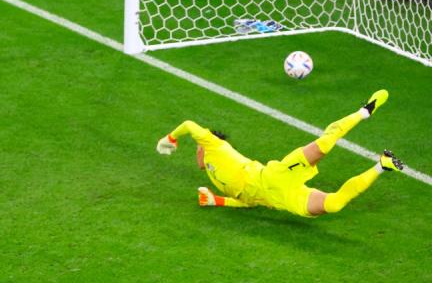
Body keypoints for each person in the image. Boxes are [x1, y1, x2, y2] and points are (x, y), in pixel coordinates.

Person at [156, 90, 405, 217]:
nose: (196, 155)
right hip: (283, 200)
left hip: (275, 176)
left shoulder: (214, 146)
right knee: (335, 204)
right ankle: (382, 164)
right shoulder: (212, 174)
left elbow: (189, 125)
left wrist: (171, 138)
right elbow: (247, 201)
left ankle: (364, 111)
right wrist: (216, 200)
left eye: (196, 149)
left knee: (323, 145)